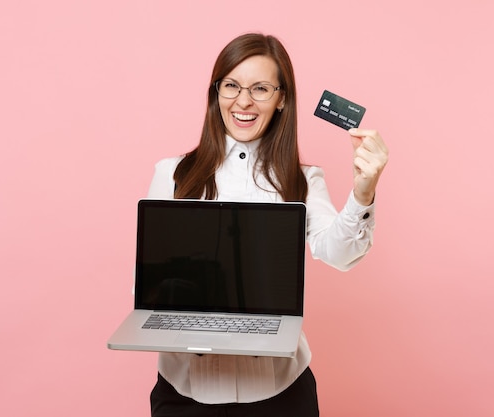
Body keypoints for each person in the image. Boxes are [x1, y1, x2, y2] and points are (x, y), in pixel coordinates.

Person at [145, 33, 389, 417]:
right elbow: (144, 283)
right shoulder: (172, 174)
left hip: (281, 395)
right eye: (231, 86)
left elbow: (340, 254)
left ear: (282, 99)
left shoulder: (303, 179)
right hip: (183, 394)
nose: (243, 101)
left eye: (260, 88)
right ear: (216, 93)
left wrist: (363, 191)